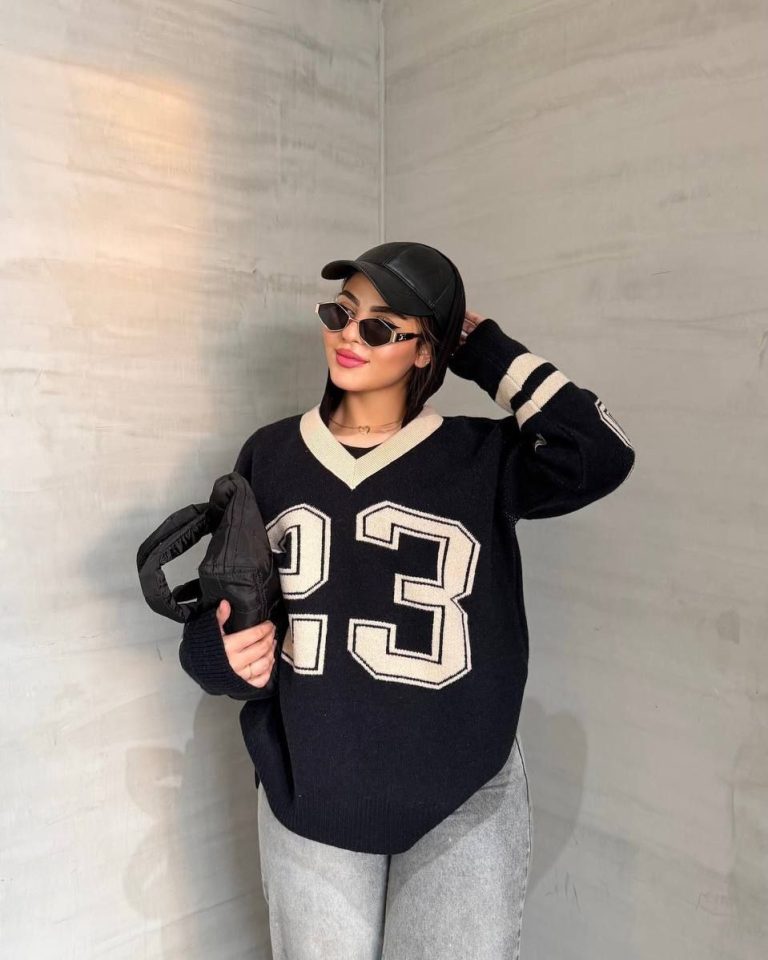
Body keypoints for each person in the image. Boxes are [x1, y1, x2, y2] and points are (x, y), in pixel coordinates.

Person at [178, 242, 636, 959]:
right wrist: (218, 655)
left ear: (427, 350)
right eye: (341, 314)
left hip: (465, 797)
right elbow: (228, 607)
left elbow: (600, 453)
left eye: (381, 327)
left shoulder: (482, 458)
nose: (349, 337)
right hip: (312, 790)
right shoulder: (270, 455)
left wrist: (484, 349)